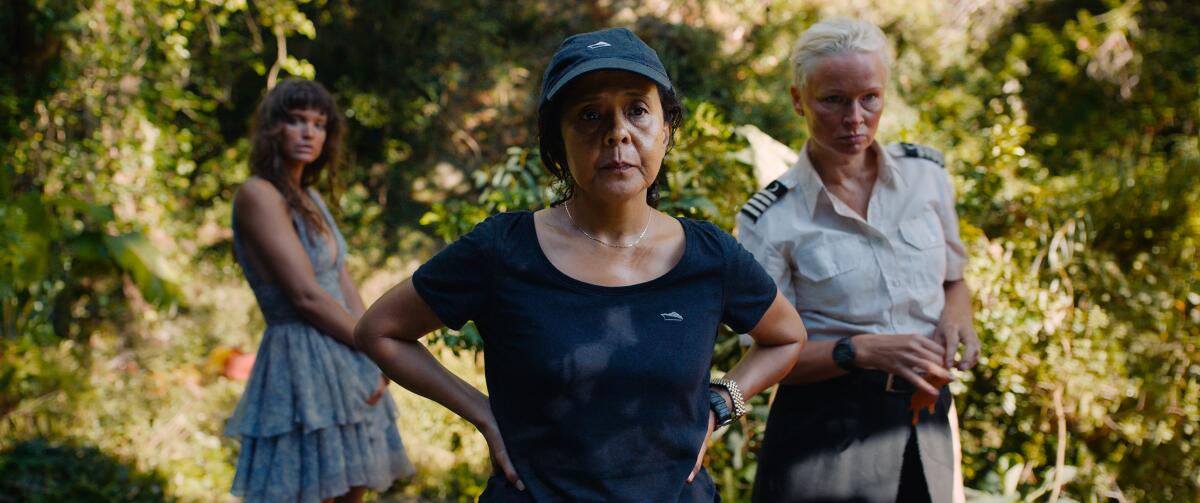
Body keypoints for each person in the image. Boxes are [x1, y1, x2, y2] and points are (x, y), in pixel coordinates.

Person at [354, 28, 807, 502]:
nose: (617, 132)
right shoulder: (502, 250)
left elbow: (786, 337)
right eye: (590, 115)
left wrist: (720, 402)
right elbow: (380, 331)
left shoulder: (709, 255)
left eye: (637, 110)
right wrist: (482, 413)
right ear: (557, 143)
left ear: (667, 128)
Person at [737, 17, 981, 503]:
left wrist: (960, 320)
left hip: (924, 420)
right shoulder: (770, 218)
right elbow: (763, 356)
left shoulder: (927, 177)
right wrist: (859, 350)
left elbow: (954, 281)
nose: (855, 119)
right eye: (833, 100)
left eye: (870, 98)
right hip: (823, 439)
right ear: (797, 99)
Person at [225, 78, 415, 503]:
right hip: (300, 360)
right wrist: (374, 344)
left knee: (352, 491)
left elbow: (342, 279)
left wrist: (377, 343)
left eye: (319, 123)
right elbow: (305, 295)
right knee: (311, 494)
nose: (309, 132)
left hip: (346, 355)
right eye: (295, 121)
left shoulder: (309, 196)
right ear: (272, 128)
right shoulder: (257, 194)